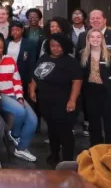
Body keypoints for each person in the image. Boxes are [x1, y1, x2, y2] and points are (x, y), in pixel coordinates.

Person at [0, 32, 37, 162]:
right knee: (20, 111)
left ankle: (21, 149)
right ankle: (14, 134)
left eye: (0, 47)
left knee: (33, 121)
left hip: (13, 93)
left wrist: (19, 97)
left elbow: (16, 80)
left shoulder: (10, 59)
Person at [30, 33, 82, 164]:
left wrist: (72, 100)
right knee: (52, 130)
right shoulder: (43, 58)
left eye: (59, 46)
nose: (56, 48)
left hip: (64, 102)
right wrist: (32, 89)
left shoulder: (70, 61)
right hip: (46, 101)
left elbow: (77, 82)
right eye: (53, 45)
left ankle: (68, 159)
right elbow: (36, 75)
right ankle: (54, 155)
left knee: (65, 132)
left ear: (64, 46)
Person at [79, 29, 111, 146]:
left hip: (108, 92)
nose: (95, 39)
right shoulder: (82, 54)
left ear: (102, 39)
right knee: (94, 124)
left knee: (110, 124)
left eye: (98, 37)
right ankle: (96, 150)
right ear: (88, 39)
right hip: (90, 92)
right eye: (92, 37)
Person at [6, 21, 34, 99]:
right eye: (13, 30)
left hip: (22, 75)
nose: (15, 32)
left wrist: (30, 80)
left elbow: (31, 62)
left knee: (21, 96)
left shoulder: (29, 43)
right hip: (7, 74)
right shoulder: (6, 42)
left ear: (22, 30)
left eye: (17, 30)